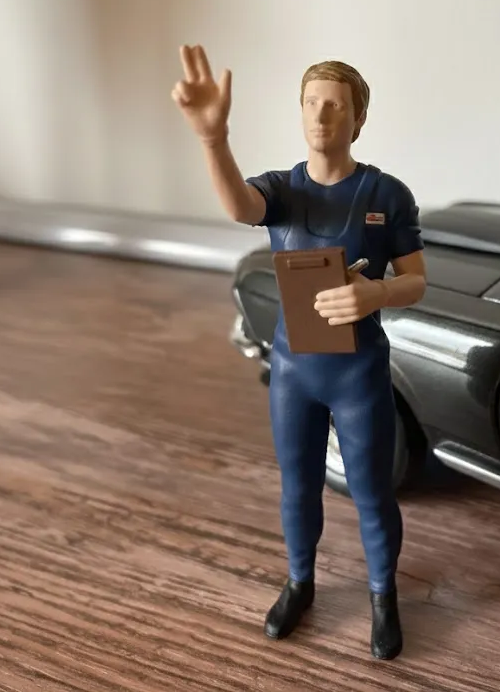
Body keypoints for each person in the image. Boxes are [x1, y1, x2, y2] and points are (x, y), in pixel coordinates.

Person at [171, 44, 427, 660]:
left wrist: (376, 293)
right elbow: (240, 206)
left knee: (371, 490)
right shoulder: (282, 190)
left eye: (335, 105)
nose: (321, 116)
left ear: (358, 119)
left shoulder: (387, 194)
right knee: (297, 486)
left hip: (358, 371)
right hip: (292, 369)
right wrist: (212, 139)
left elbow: (417, 281)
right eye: (311, 103)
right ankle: (300, 582)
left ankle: (383, 595)